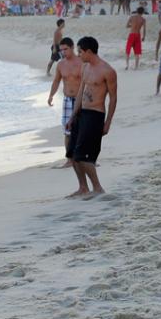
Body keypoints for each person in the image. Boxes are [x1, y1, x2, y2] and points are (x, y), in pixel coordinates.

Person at [65, 36, 117, 198]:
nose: (78, 55)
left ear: (88, 51)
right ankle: (83, 187)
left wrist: (108, 123)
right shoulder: (85, 68)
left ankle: (98, 188)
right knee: (72, 154)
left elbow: (113, 98)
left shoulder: (107, 71)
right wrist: (73, 116)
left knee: (84, 155)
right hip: (81, 114)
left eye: (80, 51)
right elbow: (81, 92)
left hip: (95, 115)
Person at [47, 37, 83, 165]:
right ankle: (69, 159)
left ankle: (87, 159)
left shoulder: (81, 62)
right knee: (68, 131)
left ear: (72, 47)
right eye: (61, 50)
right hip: (67, 100)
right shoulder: (61, 64)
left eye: (65, 49)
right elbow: (56, 81)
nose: (63, 52)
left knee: (84, 130)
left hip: (82, 100)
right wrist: (51, 95)